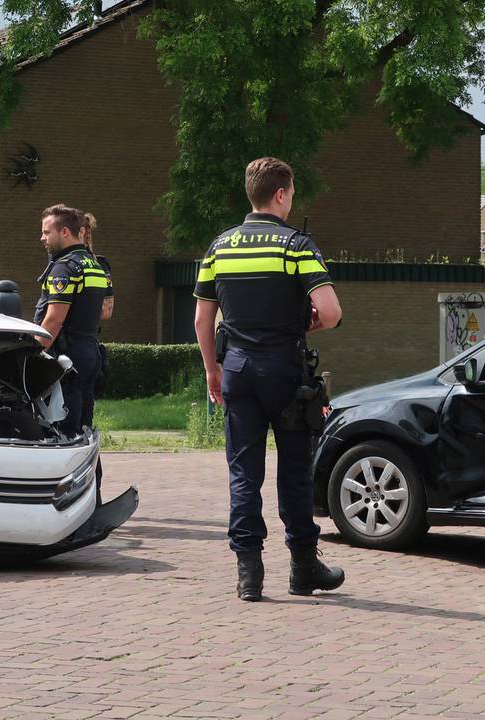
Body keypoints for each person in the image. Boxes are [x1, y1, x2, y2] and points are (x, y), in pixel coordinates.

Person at [193, 157, 345, 602]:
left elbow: (202, 320)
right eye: (291, 193)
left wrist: (213, 370)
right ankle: (303, 569)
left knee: (244, 473)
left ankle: (249, 575)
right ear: (280, 194)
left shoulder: (219, 247)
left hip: (237, 370)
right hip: (285, 371)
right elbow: (331, 312)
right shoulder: (296, 245)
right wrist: (304, 324)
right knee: (294, 473)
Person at [34, 205, 109, 436]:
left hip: (66, 357)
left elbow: (54, 320)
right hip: (89, 352)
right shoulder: (94, 265)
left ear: (64, 232)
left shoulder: (64, 268)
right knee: (84, 426)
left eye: (47, 232)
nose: (42, 238)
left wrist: (32, 353)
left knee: (62, 429)